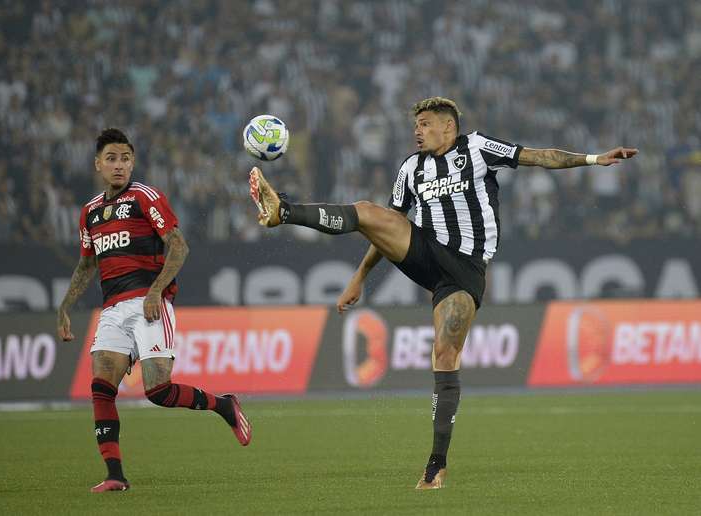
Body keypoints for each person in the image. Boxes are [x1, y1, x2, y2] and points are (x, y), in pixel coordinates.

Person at [249, 97, 637, 490]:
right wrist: (359, 277)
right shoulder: (410, 169)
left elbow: (539, 156)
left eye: (426, 123)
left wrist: (592, 159)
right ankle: (284, 212)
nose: (417, 131)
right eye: (416, 124)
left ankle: (436, 465)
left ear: (448, 127)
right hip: (424, 250)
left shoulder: (478, 148)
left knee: (445, 353)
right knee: (368, 211)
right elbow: (386, 226)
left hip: (464, 270)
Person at [58, 128, 251, 493]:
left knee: (157, 391)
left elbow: (179, 247)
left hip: (149, 302)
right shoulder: (90, 213)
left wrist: (156, 291)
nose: (119, 165)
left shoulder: (145, 197)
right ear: (98, 164)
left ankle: (224, 405)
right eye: (112, 159)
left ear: (133, 162)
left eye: (125, 158)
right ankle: (115, 474)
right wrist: (65, 306)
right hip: (112, 310)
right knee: (100, 389)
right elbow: (86, 264)